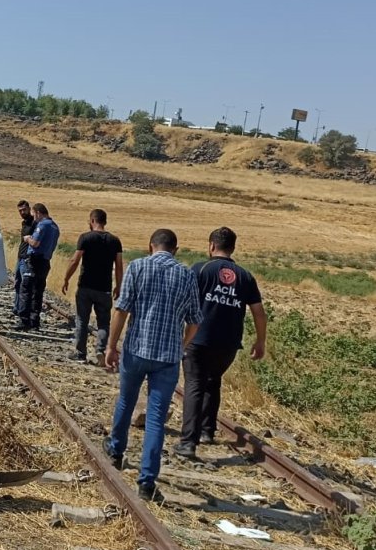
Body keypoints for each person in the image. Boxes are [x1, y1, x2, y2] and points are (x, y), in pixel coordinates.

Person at [103, 229, 202, 501]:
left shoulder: (137, 267)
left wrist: (111, 345)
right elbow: (195, 320)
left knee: (126, 400)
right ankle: (147, 482)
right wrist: (181, 345)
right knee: (156, 418)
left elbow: (121, 309)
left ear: (150, 246)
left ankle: (115, 451)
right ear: (176, 250)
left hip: (136, 349)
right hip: (167, 358)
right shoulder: (186, 275)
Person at [173, 227, 267, 459]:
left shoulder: (200, 269)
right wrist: (260, 341)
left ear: (212, 245)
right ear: (233, 248)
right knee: (213, 382)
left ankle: (188, 442)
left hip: (199, 339)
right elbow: (259, 312)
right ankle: (207, 431)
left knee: (194, 385)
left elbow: (182, 301)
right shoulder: (245, 276)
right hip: (228, 345)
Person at [61, 209, 124, 364]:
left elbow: (75, 261)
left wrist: (66, 278)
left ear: (92, 221)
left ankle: (80, 353)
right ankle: (100, 351)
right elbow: (119, 266)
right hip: (105, 288)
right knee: (103, 322)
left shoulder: (85, 238)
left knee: (82, 319)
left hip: (85, 286)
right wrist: (119, 286)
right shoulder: (115, 241)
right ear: (105, 221)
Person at [16, 203, 59, 331]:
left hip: (34, 261)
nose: (33, 217)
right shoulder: (55, 227)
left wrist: (27, 238)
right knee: (38, 291)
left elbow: (35, 243)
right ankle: (35, 321)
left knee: (26, 290)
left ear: (39, 213)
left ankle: (24, 321)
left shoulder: (42, 225)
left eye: (34, 214)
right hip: (45, 261)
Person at [11, 200, 36, 321]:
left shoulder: (34, 223)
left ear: (29, 209)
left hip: (27, 259)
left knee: (24, 286)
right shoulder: (24, 223)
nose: (22, 212)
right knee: (17, 284)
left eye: (24, 210)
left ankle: (22, 311)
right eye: (20, 211)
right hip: (20, 258)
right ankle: (16, 307)